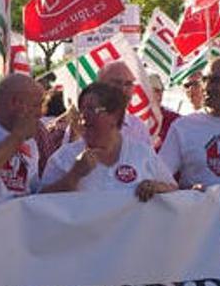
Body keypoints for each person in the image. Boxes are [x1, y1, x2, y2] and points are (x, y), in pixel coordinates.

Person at [41, 82, 177, 200]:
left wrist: (158, 187)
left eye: (92, 110)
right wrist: (74, 175)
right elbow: (38, 202)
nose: (84, 117)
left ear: (115, 115)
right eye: (81, 110)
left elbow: (176, 193)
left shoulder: (142, 154)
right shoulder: (64, 157)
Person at [160, 56, 220, 189]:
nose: (207, 87)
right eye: (204, 80)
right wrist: (187, 192)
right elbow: (160, 177)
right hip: (197, 208)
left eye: (215, 80)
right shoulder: (182, 127)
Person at [97, 61, 152, 145]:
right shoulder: (82, 123)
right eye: (116, 83)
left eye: (128, 84)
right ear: (99, 86)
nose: (123, 90)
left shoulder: (138, 127)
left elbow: (149, 158)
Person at [148, 74, 180, 152]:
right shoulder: (132, 119)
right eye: (156, 90)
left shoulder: (174, 119)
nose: (160, 95)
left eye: (162, 90)